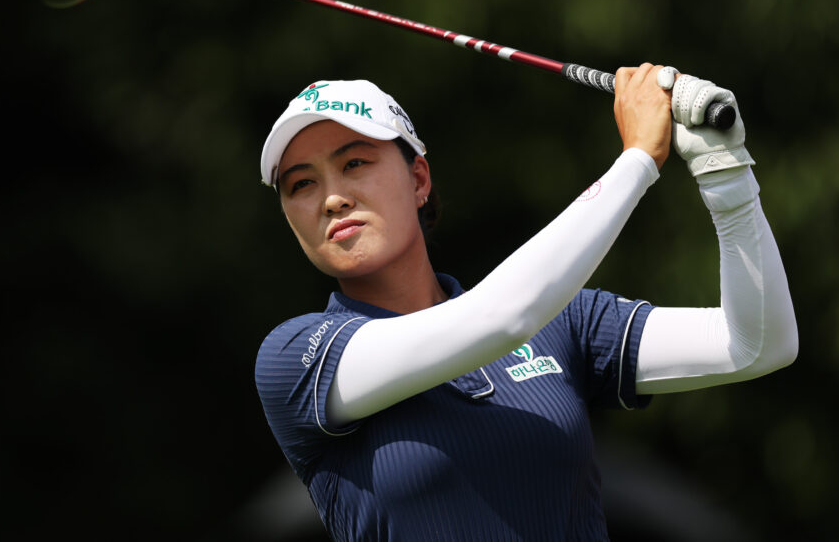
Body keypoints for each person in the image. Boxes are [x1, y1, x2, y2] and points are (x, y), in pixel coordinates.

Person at [253, 65, 797, 541]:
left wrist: (724, 173)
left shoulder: (563, 320)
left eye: (354, 164)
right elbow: (500, 318)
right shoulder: (296, 359)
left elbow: (756, 345)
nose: (331, 197)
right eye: (301, 184)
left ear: (418, 178)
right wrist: (636, 162)